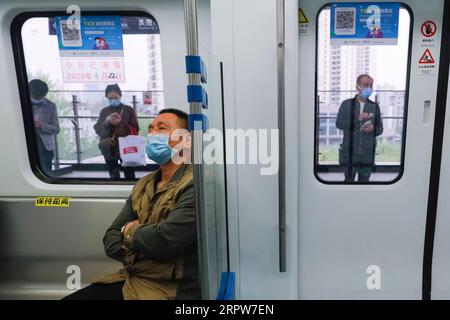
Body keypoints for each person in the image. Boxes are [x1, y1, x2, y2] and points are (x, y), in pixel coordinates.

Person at [63, 108, 198, 300]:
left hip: (168, 289)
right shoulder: (144, 184)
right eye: (150, 128)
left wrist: (129, 232)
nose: (151, 134)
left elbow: (166, 240)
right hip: (134, 277)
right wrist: (147, 240)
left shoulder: (195, 183)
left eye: (162, 128)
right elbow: (110, 241)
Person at [336, 74, 383, 182]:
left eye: (371, 85)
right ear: (357, 87)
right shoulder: (347, 104)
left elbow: (380, 129)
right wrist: (357, 120)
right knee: (348, 182)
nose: (369, 88)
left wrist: (372, 130)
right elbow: (339, 124)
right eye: (365, 85)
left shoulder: (374, 106)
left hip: (367, 154)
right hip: (349, 153)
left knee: (364, 184)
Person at [94, 84, 139, 179]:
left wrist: (120, 123)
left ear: (120, 96)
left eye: (116, 97)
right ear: (107, 97)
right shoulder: (104, 111)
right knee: (113, 174)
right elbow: (99, 131)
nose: (113, 100)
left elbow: (135, 130)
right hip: (109, 148)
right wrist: (106, 121)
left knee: (129, 173)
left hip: (126, 147)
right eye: (110, 98)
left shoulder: (129, 110)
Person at [29, 79, 60, 175]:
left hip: (44, 146)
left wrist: (41, 125)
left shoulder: (50, 106)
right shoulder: (18, 104)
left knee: (46, 175)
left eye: (40, 97)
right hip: (24, 146)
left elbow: (56, 129)